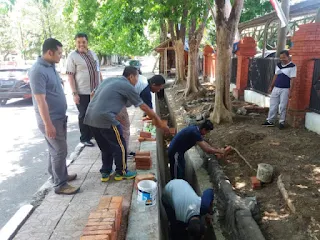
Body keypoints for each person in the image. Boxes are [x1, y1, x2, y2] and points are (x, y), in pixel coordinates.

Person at [84, 66, 169, 182]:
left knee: (105, 146)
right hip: (106, 119)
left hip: (90, 118)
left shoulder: (110, 80)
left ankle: (105, 172)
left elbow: (92, 94)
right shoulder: (128, 86)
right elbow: (143, 106)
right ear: (131, 76)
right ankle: (121, 172)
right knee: (120, 145)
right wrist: (158, 120)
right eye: (137, 77)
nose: (137, 81)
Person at [29, 38, 79, 195]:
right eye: (59, 53)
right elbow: (40, 101)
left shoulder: (50, 66)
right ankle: (60, 184)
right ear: (49, 52)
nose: (61, 56)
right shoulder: (37, 71)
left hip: (58, 116)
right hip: (50, 119)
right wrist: (48, 124)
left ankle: (58, 176)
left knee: (56, 150)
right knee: (59, 151)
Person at [66, 33, 103, 147]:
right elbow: (70, 76)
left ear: (87, 42)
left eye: (83, 42)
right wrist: (74, 93)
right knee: (84, 115)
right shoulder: (72, 56)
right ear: (75, 43)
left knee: (94, 114)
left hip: (96, 91)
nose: (81, 44)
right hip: (82, 92)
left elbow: (98, 71)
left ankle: (92, 135)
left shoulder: (93, 54)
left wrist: (102, 85)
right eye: (79, 42)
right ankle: (84, 138)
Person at [117, 74, 166, 156]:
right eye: (159, 88)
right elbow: (150, 112)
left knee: (124, 126)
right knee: (125, 128)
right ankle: (123, 152)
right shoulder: (146, 91)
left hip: (119, 99)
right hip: (117, 103)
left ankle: (123, 149)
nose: (158, 91)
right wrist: (161, 125)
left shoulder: (144, 80)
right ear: (153, 85)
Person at [262, 50, 296, 129]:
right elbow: (275, 76)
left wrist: (291, 91)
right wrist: (271, 86)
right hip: (276, 88)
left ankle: (282, 122)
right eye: (281, 58)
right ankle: (270, 121)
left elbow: (293, 79)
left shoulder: (292, 66)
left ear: (288, 57)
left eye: (284, 57)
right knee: (273, 105)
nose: (282, 59)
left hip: (285, 89)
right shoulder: (278, 65)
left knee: (283, 106)